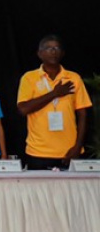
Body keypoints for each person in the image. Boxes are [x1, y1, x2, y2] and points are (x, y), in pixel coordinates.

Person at [16, 35, 92, 170]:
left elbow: (83, 115)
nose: (53, 51)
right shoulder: (29, 78)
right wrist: (54, 94)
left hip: (69, 151)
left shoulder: (73, 78)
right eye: (48, 48)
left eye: (57, 48)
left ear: (63, 53)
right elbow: (23, 109)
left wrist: (78, 146)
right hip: (38, 152)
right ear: (39, 54)